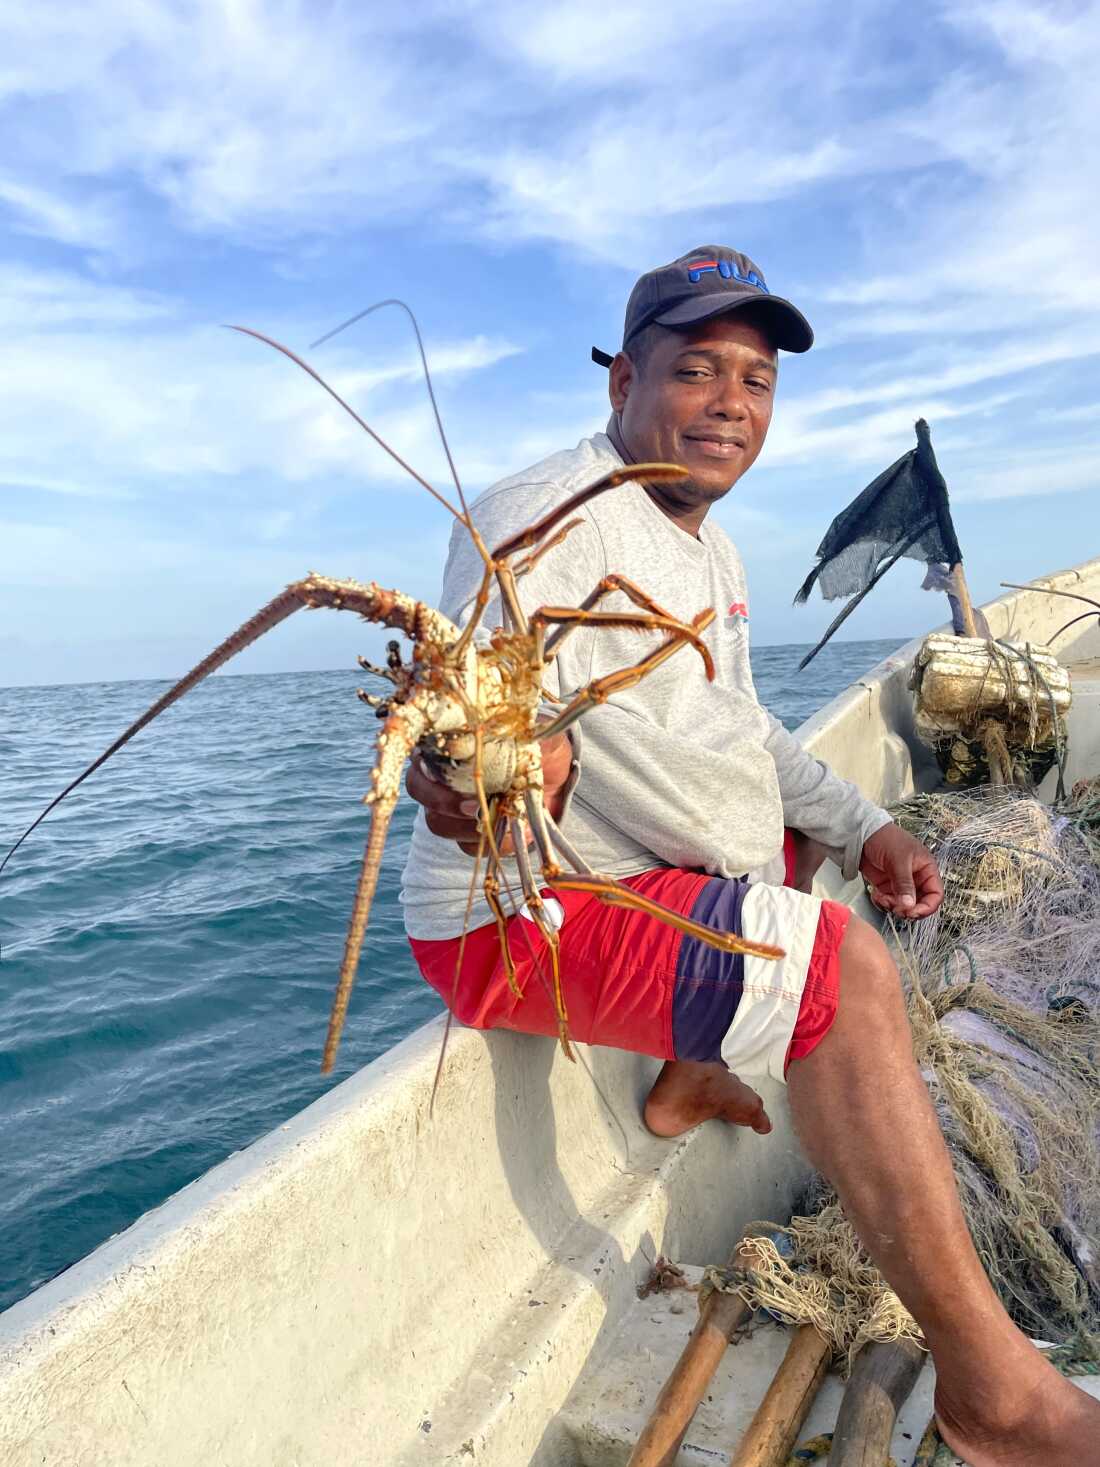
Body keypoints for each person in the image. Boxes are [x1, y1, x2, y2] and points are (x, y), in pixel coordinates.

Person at [400, 247, 1100, 1465]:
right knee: (844, 972)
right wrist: (465, 786)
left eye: (756, 379)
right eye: (694, 369)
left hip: (633, 867)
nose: (730, 401)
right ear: (621, 378)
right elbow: (463, 724)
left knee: (791, 830)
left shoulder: (704, 546)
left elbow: (738, 730)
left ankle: (683, 1076)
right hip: (520, 911)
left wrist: (863, 824)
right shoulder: (527, 524)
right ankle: (996, 1397)